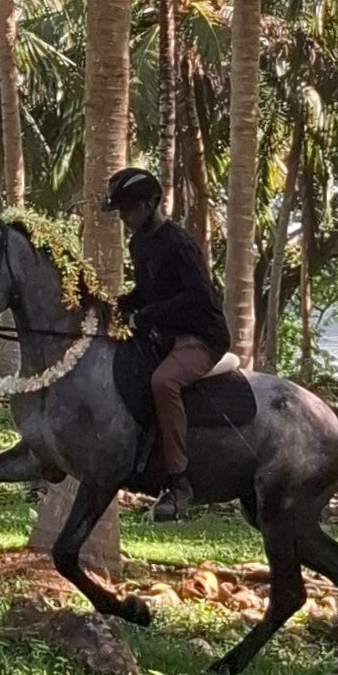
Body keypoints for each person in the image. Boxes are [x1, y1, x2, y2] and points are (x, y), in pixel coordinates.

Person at [103, 167, 231, 521]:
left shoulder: (180, 244)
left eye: (128, 210)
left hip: (201, 337)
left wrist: (148, 314)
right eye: (122, 212)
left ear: (150, 204)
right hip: (164, 334)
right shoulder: (138, 243)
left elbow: (198, 298)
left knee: (164, 382)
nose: (125, 218)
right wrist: (118, 304)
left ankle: (178, 482)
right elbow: (146, 292)